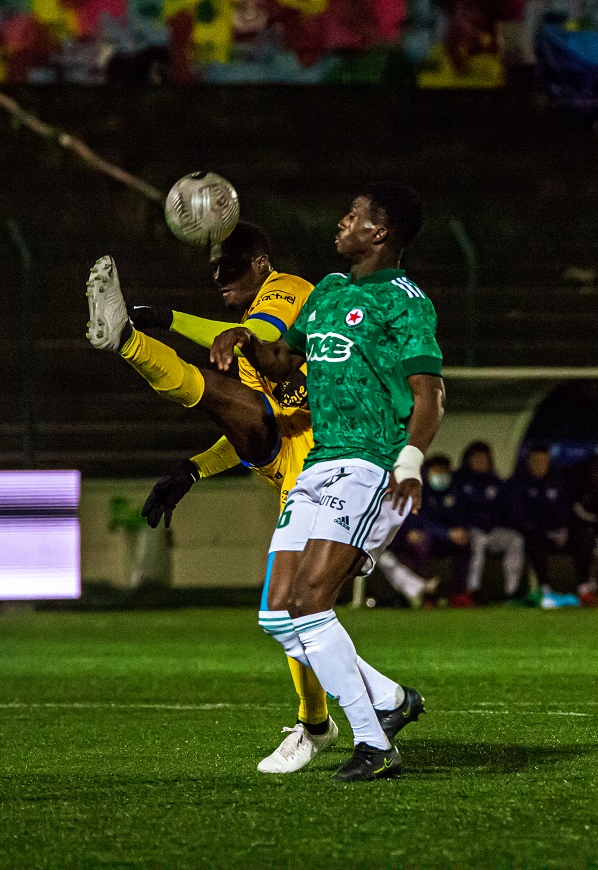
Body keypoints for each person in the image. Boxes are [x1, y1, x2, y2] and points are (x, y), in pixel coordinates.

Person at [86, 221, 341, 775]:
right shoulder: (248, 337)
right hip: (294, 466)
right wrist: (193, 469)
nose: (220, 276)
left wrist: (196, 324)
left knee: (296, 610)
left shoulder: (288, 290)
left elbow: (260, 329)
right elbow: (245, 412)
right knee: (291, 612)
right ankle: (126, 341)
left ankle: (335, 720)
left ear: (262, 263)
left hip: (340, 469)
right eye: (215, 268)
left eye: (233, 265)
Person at [210, 182, 445, 781]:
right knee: (278, 614)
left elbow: (430, 393)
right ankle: (390, 701)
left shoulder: (404, 300)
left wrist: (412, 460)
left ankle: (374, 744)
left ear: (380, 233)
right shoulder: (328, 292)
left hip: (371, 462)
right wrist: (245, 337)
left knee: (312, 602)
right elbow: (285, 362)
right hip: (320, 463)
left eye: (353, 217)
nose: (340, 224)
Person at [382, 453, 471, 607]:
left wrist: (459, 531)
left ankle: (459, 593)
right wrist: (447, 533)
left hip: (444, 538)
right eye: (436, 471)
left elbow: (461, 517)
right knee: (420, 542)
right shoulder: (417, 490)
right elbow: (418, 522)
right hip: (412, 539)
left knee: (465, 541)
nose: (440, 475)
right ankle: (425, 594)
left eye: (444, 471)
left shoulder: (455, 492)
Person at [453, 440, 526, 604]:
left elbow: (508, 512)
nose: (481, 462)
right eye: (476, 459)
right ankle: (473, 591)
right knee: (477, 541)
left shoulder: (496, 482)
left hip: (493, 531)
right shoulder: (459, 481)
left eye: (484, 459)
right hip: (471, 532)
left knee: (516, 539)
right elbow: (458, 512)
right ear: (468, 460)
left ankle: (511, 592)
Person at [504, 446, 574, 609]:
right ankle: (543, 588)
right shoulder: (519, 481)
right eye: (536, 462)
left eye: (544, 462)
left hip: (556, 532)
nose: (540, 466)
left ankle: (584, 587)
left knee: (584, 537)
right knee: (534, 540)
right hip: (532, 533)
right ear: (528, 462)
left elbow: (564, 509)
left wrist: (562, 528)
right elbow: (517, 514)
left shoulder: (557, 480)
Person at [568, 454, 598, 607]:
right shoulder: (582, 489)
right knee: (586, 538)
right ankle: (585, 588)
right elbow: (578, 513)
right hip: (582, 534)